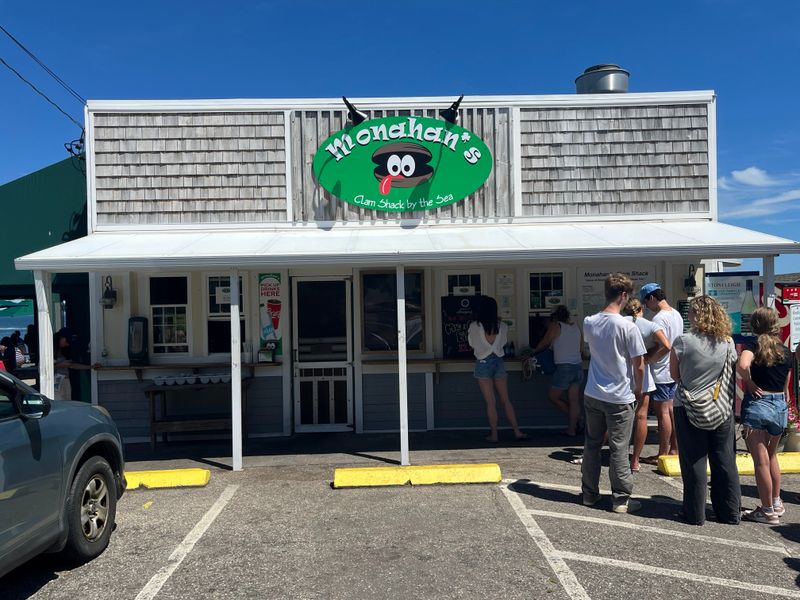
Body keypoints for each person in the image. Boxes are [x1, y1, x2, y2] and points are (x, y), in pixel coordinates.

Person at [670, 295, 740, 525]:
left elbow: (674, 375)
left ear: (695, 315)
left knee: (694, 461)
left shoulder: (683, 341)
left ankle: (694, 513)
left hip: (689, 405)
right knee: (724, 459)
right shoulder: (728, 343)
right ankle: (729, 512)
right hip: (720, 407)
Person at [581, 273, 646, 514]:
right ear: (623, 295)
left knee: (592, 444)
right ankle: (620, 498)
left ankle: (589, 493)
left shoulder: (589, 321)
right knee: (619, 448)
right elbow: (638, 364)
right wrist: (639, 389)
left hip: (593, 391)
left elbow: (590, 350)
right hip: (620, 395)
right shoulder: (627, 327)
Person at [737, 307, 792, 524]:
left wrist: (749, 381)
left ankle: (767, 510)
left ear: (755, 325)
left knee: (760, 462)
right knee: (771, 456)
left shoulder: (754, 345)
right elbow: (787, 380)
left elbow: (742, 364)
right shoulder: (784, 350)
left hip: (759, 403)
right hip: (779, 404)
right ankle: (776, 502)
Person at [467, 296, 527, 443]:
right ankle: (517, 431)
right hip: (499, 362)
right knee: (506, 400)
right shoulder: (503, 326)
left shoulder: (475, 326)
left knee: (491, 402)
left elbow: (471, 343)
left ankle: (494, 434)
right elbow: (504, 342)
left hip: (482, 362)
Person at [623, 298, 670, 472]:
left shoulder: (620, 322)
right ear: (641, 309)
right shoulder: (649, 325)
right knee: (641, 416)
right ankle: (635, 459)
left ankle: (615, 455)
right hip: (643, 372)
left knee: (617, 417)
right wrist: (650, 358)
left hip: (623, 372)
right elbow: (666, 345)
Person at [639, 282, 684, 464]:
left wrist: (649, 359)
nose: (646, 307)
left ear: (652, 298)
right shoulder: (677, 315)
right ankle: (674, 449)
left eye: (646, 302)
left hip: (661, 371)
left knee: (663, 413)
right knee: (672, 412)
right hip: (674, 370)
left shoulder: (658, 319)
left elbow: (665, 346)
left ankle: (662, 453)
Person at [531, 305, 584, 436]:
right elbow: (581, 347)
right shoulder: (576, 327)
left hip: (564, 367)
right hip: (578, 366)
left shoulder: (556, 326)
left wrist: (532, 351)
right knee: (574, 400)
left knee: (553, 397)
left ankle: (577, 420)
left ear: (554, 317)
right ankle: (572, 428)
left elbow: (545, 342)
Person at [54, 329, 97, 401]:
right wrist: (60, 365)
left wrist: (91, 367)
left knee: (68, 402)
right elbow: (44, 369)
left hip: (65, 380)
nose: (68, 344)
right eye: (67, 341)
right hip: (55, 380)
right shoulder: (50, 350)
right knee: (59, 401)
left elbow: (72, 365)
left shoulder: (63, 350)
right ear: (62, 338)